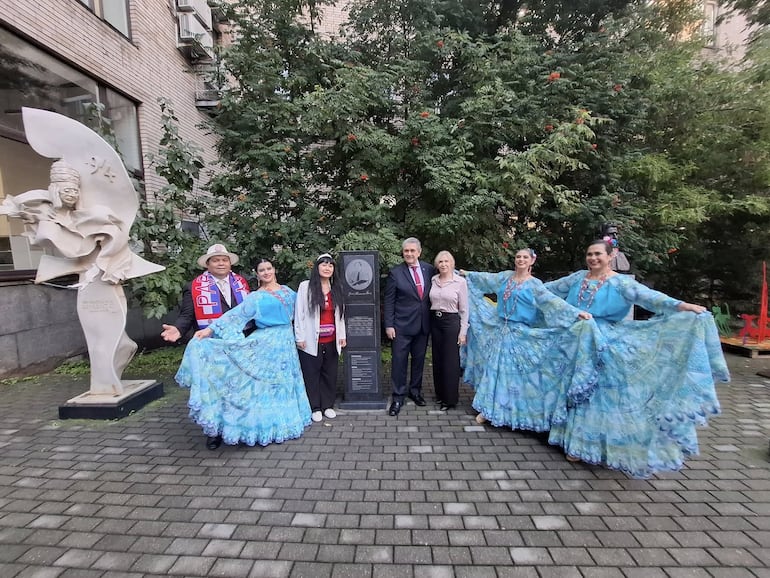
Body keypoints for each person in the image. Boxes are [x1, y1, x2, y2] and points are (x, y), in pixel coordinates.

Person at [544, 240, 729, 478]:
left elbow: (650, 297)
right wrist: (527, 288)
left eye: (598, 254)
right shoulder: (577, 278)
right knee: (571, 386)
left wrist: (682, 306)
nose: (593, 258)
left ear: (610, 256)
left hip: (604, 342)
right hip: (572, 339)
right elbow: (547, 291)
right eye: (589, 254)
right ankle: (566, 436)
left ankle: (588, 444)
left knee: (598, 392)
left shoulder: (620, 283)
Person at [175, 258, 311, 449]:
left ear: (274, 270)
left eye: (268, 268)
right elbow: (236, 315)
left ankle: (283, 423)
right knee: (265, 386)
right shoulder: (255, 297)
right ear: (257, 274)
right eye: (261, 270)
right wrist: (209, 330)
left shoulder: (289, 291)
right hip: (266, 342)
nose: (266, 272)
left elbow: (305, 310)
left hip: (287, 343)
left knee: (284, 383)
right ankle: (259, 425)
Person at [462, 248, 597, 431]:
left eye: (525, 257)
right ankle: (488, 409)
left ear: (532, 260)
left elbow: (551, 302)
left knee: (514, 375)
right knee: (494, 369)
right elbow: (486, 278)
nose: (521, 260)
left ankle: (510, 411)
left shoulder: (534, 284)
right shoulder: (505, 277)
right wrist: (467, 274)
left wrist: (575, 313)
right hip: (500, 331)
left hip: (520, 334)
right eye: (518, 257)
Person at [383, 237, 436, 416]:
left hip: (423, 325)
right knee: (399, 363)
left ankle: (415, 392)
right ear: (403, 252)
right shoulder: (395, 273)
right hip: (401, 327)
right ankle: (398, 397)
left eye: (413, 251)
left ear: (419, 252)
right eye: (406, 251)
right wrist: (389, 325)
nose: (409, 254)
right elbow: (389, 301)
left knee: (419, 361)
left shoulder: (429, 270)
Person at [161, 244, 252, 345]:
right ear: (207, 265)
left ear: (230, 264)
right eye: (216, 260)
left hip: (242, 341)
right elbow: (187, 316)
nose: (221, 263)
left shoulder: (242, 284)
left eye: (224, 260)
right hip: (212, 343)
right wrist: (178, 329)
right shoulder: (193, 287)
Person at [295, 253, 347, 423]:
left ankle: (328, 405)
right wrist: (299, 336)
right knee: (312, 374)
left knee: (329, 373)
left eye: (330, 265)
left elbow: (340, 315)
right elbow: (299, 312)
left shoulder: (337, 288)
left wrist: (342, 335)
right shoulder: (306, 287)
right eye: (323, 265)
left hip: (332, 340)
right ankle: (315, 407)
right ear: (317, 268)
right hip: (311, 339)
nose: (327, 268)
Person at [429, 251, 469, 411]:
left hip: (451, 322)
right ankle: (440, 395)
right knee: (437, 359)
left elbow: (465, 309)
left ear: (452, 264)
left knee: (450, 361)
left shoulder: (460, 282)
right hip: (435, 320)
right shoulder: (433, 280)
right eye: (440, 262)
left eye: (446, 261)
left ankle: (450, 399)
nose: (443, 264)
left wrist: (463, 332)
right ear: (437, 265)